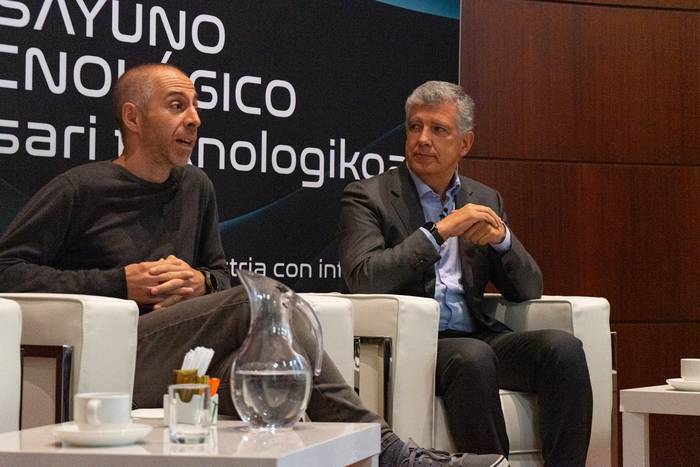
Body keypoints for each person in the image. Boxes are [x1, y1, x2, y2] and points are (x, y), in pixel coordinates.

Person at [0, 65, 507, 467]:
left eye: (196, 106)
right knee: (257, 299)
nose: (194, 119)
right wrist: (118, 284)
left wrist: (200, 282)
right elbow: (8, 269)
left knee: (268, 371)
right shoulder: (81, 189)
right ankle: (391, 451)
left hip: (189, 363)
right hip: (118, 358)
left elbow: (219, 274)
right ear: (133, 118)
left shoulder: (195, 186)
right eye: (177, 106)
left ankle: (377, 452)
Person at [338, 81, 593, 467]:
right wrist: (438, 232)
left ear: (465, 143)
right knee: (473, 358)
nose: (423, 139)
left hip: (477, 335)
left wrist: (503, 241)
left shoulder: (484, 200)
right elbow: (362, 277)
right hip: (416, 343)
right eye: (415, 127)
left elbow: (529, 288)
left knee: (563, 349)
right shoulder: (368, 196)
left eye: (438, 129)